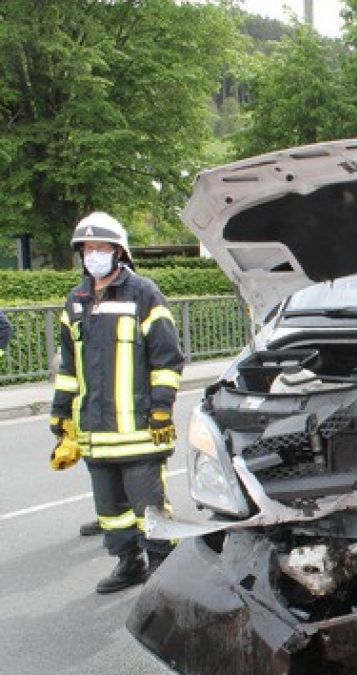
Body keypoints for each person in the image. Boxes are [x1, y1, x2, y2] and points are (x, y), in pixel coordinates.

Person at [49, 212, 185, 594]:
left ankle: (162, 567)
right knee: (111, 512)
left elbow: (167, 358)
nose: (94, 254)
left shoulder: (143, 294)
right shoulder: (75, 301)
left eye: (101, 247)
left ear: (118, 251)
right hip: (94, 431)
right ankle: (129, 564)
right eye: (88, 248)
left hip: (140, 430)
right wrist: (61, 413)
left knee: (149, 509)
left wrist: (161, 409)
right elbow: (68, 368)